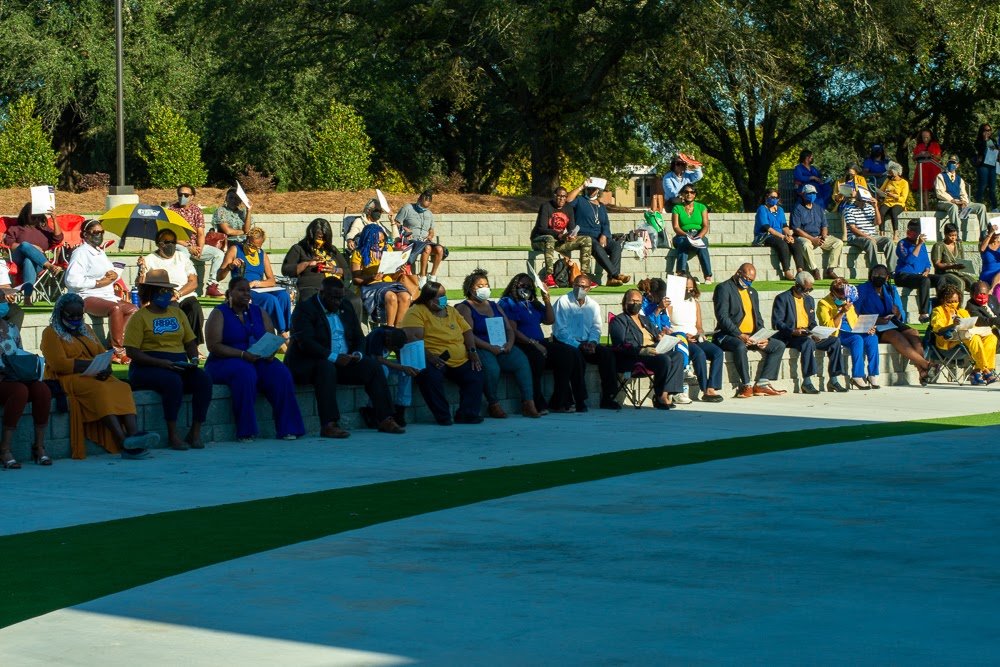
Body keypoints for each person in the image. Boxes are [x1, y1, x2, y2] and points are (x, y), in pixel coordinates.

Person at [40, 293, 157, 459]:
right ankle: (122, 441)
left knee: (122, 387)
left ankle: (134, 435)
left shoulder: (85, 329)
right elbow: (60, 364)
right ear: (60, 313)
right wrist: (90, 366)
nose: (75, 319)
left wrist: (105, 368)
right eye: (71, 315)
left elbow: (103, 353)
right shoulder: (50, 333)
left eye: (79, 315)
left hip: (93, 374)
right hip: (67, 378)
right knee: (100, 390)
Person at [286, 276, 406, 436]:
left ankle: (385, 418)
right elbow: (306, 343)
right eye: (334, 298)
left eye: (340, 297)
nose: (338, 302)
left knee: (373, 367)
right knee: (326, 368)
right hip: (309, 364)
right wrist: (334, 357)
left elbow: (359, 337)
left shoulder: (346, 306)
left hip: (342, 361)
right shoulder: (305, 309)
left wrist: (357, 354)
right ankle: (329, 424)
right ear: (322, 293)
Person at [204, 277, 305, 442]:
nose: (246, 294)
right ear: (229, 293)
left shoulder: (259, 311)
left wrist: (270, 351)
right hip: (225, 360)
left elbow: (270, 336)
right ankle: (246, 430)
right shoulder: (219, 312)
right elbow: (213, 345)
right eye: (241, 290)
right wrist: (242, 355)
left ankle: (289, 428)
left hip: (256, 359)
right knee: (245, 373)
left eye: (247, 290)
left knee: (281, 373)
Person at [125, 270, 213, 451]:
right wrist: (160, 363)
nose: (165, 294)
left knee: (203, 380)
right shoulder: (140, 317)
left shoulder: (178, 314)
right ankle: (173, 434)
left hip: (178, 363)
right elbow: (132, 351)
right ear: (150, 293)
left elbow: (189, 341)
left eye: (167, 291)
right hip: (147, 365)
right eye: (160, 291)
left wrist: (194, 357)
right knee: (172, 382)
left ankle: (195, 432)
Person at [455, 269, 540, 418]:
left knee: (522, 361)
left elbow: (509, 329)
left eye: (486, 284)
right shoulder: (465, 307)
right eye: (479, 286)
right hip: (482, 346)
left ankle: (528, 402)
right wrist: (489, 347)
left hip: (502, 346)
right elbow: (468, 334)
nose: (484, 288)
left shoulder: (495, 306)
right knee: (492, 369)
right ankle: (493, 403)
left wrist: (509, 344)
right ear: (470, 288)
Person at [400, 281, 485, 425]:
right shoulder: (416, 311)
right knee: (429, 376)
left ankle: (467, 414)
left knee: (475, 373)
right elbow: (413, 339)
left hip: (460, 358)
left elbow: (467, 331)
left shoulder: (451, 311)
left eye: (444, 295)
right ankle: (443, 416)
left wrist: (472, 350)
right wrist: (430, 357)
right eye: (440, 296)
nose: (443, 299)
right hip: (433, 357)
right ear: (428, 299)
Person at [64, 218, 138, 364]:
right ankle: (118, 351)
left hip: (107, 295)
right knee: (115, 309)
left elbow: (108, 273)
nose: (99, 235)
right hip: (86, 296)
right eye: (95, 232)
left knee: (133, 309)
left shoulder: (99, 252)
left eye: (101, 232)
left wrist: (114, 275)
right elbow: (71, 280)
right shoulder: (80, 253)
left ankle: (112, 347)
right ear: (85, 234)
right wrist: (98, 283)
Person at [712, 263, 787, 397]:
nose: (748, 282)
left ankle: (762, 383)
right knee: (740, 347)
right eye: (746, 278)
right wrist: (739, 335)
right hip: (729, 335)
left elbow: (758, 318)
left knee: (778, 345)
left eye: (751, 280)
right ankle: (746, 385)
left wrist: (763, 337)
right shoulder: (723, 288)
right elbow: (722, 317)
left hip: (752, 335)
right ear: (738, 273)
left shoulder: (752, 292)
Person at [854, 264, 935, 383]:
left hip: (891, 321)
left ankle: (922, 371)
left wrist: (897, 313)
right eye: (876, 274)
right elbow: (855, 313)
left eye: (882, 275)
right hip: (873, 325)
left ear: (887, 277)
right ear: (871, 276)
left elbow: (901, 312)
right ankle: (926, 364)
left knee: (913, 332)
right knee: (895, 335)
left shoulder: (890, 289)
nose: (878, 277)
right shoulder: (862, 289)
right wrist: (876, 320)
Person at [551, 274, 621, 410]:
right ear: (573, 285)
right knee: (576, 357)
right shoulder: (563, 301)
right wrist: (579, 345)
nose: (580, 288)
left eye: (583, 286)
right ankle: (580, 399)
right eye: (577, 285)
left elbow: (596, 327)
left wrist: (593, 342)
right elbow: (560, 331)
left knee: (607, 354)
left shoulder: (593, 305)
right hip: (567, 343)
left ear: (589, 288)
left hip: (587, 343)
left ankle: (609, 396)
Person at [609, 289, 685, 409]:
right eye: (632, 301)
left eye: (638, 301)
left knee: (678, 356)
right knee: (664, 359)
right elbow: (619, 345)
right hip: (635, 356)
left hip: (654, 351)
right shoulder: (619, 321)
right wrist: (641, 351)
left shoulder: (644, 319)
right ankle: (659, 395)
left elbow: (656, 335)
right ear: (625, 303)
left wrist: (661, 336)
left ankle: (665, 393)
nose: (635, 304)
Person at [772, 272, 847, 393]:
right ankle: (807, 382)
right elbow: (777, 323)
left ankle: (834, 380)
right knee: (807, 343)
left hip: (807, 333)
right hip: (791, 336)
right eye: (805, 289)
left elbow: (812, 322)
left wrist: (816, 332)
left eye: (810, 289)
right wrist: (793, 331)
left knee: (835, 341)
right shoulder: (783, 298)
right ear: (797, 285)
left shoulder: (809, 300)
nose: (807, 292)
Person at [217, 227, 292, 336]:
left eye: (255, 246)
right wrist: (230, 266)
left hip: (258, 287)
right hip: (242, 290)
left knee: (283, 296)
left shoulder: (262, 254)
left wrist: (257, 283)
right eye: (250, 243)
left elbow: (271, 280)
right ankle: (282, 333)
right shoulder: (235, 249)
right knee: (270, 299)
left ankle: (285, 329)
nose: (252, 248)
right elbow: (219, 276)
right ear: (247, 239)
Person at [663, 275, 725, 402]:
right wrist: (684, 336)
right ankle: (705, 389)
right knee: (699, 353)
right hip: (680, 339)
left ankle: (712, 386)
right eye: (686, 288)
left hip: (695, 337)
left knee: (717, 352)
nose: (688, 291)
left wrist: (701, 334)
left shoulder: (695, 303)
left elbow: (699, 326)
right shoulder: (671, 303)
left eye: (691, 289)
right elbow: (667, 326)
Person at [498, 273, 554, 414]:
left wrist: (546, 299)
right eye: (522, 285)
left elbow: (549, 320)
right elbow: (512, 330)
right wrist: (533, 343)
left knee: (568, 354)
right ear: (514, 286)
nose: (526, 288)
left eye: (529, 286)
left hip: (539, 341)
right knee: (537, 358)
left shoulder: (533, 303)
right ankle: (535, 401)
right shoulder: (508, 302)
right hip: (522, 343)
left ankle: (562, 400)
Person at [137, 229, 204, 346]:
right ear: (159, 244)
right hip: (163, 296)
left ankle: (193, 345)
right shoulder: (149, 259)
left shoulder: (182, 257)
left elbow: (193, 282)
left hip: (184, 294)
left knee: (195, 308)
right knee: (172, 309)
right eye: (167, 242)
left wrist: (178, 294)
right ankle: (175, 345)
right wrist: (142, 270)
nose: (171, 245)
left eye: (173, 242)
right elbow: (141, 286)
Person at [0, 315, 52, 468]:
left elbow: (18, 353)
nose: (4, 302)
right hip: (4, 380)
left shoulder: (11, 328)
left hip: (14, 375)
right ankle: (5, 449)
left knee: (42, 390)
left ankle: (39, 446)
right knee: (20, 391)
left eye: (3, 298)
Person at [281, 217, 359, 314]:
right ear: (311, 235)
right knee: (313, 303)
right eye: (319, 237)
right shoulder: (299, 249)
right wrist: (307, 263)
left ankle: (351, 328)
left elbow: (348, 271)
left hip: (334, 288)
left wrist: (335, 270)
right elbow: (286, 270)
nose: (322, 240)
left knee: (355, 301)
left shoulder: (332, 250)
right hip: (310, 288)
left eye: (324, 238)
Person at [816, 278, 879, 389]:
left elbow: (854, 320)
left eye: (845, 297)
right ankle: (857, 375)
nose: (843, 300)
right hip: (837, 333)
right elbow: (829, 327)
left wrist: (867, 328)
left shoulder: (848, 301)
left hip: (853, 330)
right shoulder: (823, 303)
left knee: (872, 338)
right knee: (857, 339)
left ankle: (873, 374)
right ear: (832, 293)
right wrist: (841, 312)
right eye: (841, 298)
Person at [350, 223, 419, 326]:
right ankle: (389, 329)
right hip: (370, 286)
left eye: (382, 241)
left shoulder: (388, 249)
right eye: (377, 242)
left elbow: (393, 277)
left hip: (389, 284)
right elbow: (356, 280)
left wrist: (399, 271)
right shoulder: (359, 253)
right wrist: (372, 277)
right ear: (368, 240)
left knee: (405, 297)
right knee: (391, 297)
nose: (381, 244)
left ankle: (398, 329)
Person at [930, 284, 997, 385]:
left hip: (965, 340)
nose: (953, 304)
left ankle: (977, 372)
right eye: (950, 302)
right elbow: (938, 329)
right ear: (943, 300)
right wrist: (952, 325)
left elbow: (971, 326)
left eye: (956, 301)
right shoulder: (938, 311)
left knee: (991, 337)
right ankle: (986, 371)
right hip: (948, 342)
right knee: (973, 338)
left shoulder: (963, 312)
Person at [566, 182, 630, 286]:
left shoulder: (601, 206)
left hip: (600, 236)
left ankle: (611, 279)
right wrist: (581, 186)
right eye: (590, 189)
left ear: (598, 190)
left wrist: (604, 235)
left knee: (616, 246)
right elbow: (568, 200)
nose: (592, 191)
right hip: (584, 236)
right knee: (595, 245)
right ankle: (615, 274)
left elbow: (605, 223)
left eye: (594, 189)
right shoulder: (580, 200)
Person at [169, 184, 225, 297]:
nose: (182, 197)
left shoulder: (196, 210)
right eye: (180, 194)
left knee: (218, 254)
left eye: (186, 195)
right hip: (179, 244)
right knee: (183, 253)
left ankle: (212, 285)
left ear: (192, 197)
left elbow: (200, 233)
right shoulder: (172, 210)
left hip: (195, 245)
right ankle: (182, 286)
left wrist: (200, 248)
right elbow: (171, 235)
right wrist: (188, 246)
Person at [530, 186, 593, 286]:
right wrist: (559, 235)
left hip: (558, 241)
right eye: (559, 196)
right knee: (550, 239)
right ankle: (549, 276)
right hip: (540, 240)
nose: (562, 199)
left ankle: (584, 275)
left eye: (564, 196)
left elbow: (572, 227)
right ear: (554, 196)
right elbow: (541, 228)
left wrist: (571, 235)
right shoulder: (546, 206)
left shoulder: (569, 208)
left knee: (587, 239)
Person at [4, 202, 64, 305]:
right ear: (25, 214)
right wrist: (32, 247)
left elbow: (58, 238)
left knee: (29, 260)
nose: (35, 216)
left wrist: (54, 219)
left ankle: (27, 297)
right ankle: (49, 266)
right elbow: (9, 245)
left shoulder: (43, 229)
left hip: (38, 263)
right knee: (25, 245)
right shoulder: (16, 228)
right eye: (32, 213)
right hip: (18, 261)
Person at [894, 219, 947, 322]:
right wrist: (918, 245)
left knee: (940, 279)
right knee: (924, 280)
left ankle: (942, 307)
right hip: (903, 275)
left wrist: (927, 269)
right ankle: (923, 313)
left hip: (919, 276)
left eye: (917, 231)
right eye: (912, 230)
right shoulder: (902, 243)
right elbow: (909, 260)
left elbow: (927, 262)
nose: (915, 233)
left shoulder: (922, 245)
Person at [363, 325, 416, 428]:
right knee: (383, 370)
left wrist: (408, 367)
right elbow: (378, 359)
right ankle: (371, 409)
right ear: (387, 340)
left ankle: (400, 408)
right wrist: (402, 367)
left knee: (406, 373)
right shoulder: (377, 335)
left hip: (382, 363)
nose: (391, 350)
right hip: (369, 364)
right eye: (391, 348)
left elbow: (400, 358)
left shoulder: (397, 335)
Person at [394, 190, 447, 286]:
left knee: (440, 249)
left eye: (426, 207)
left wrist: (430, 236)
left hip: (425, 241)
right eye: (422, 205)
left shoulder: (429, 214)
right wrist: (405, 229)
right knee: (427, 248)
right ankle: (422, 277)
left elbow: (431, 230)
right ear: (418, 199)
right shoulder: (407, 208)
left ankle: (432, 276)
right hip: (411, 240)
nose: (423, 208)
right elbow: (396, 223)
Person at [790, 184, 843, 280]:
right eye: (809, 193)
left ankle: (830, 270)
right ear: (803, 194)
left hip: (819, 236)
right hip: (805, 237)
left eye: (814, 193)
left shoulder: (818, 208)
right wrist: (813, 239)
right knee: (806, 245)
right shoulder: (797, 209)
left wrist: (823, 236)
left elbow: (824, 225)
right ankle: (814, 270)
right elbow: (796, 229)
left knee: (838, 242)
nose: (812, 195)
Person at [934, 155, 988, 238]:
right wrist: (954, 201)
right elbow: (940, 192)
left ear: (957, 165)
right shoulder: (940, 176)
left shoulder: (960, 179)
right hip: (945, 202)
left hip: (959, 202)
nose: (951, 164)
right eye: (950, 162)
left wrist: (964, 202)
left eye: (953, 162)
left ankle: (983, 233)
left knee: (981, 207)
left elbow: (963, 193)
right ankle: (956, 234)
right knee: (953, 207)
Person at [670, 185, 713, 284]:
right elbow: (676, 227)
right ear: (682, 194)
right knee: (683, 243)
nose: (689, 194)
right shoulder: (677, 208)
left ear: (695, 194)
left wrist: (699, 236)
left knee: (703, 244)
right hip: (682, 235)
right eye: (686, 192)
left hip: (698, 233)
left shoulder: (701, 207)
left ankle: (707, 276)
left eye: (692, 192)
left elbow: (706, 226)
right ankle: (682, 273)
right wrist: (687, 235)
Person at [754, 189, 795, 281]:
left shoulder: (780, 210)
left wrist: (789, 236)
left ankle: (800, 270)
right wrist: (783, 237)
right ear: (766, 197)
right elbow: (767, 228)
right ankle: (787, 271)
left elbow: (784, 226)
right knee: (782, 243)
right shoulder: (762, 209)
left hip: (780, 236)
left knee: (796, 243)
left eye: (776, 197)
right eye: (772, 197)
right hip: (765, 237)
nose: (775, 199)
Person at [844, 191, 891, 270]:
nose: (863, 203)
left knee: (888, 241)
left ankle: (892, 270)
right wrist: (867, 236)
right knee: (870, 242)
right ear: (856, 199)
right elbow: (852, 228)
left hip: (872, 235)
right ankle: (875, 269)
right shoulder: (849, 209)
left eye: (865, 201)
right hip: (855, 237)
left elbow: (878, 222)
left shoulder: (869, 207)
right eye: (861, 201)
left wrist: (876, 207)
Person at [932, 222, 978, 290]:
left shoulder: (959, 245)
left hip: (957, 272)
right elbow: (936, 264)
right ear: (945, 234)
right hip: (944, 273)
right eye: (950, 235)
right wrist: (951, 266)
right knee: (960, 283)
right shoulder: (939, 246)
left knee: (974, 283)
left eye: (955, 235)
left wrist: (964, 266)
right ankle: (958, 300)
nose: (953, 237)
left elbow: (962, 260)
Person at [911, 129, 943, 206]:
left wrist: (930, 154)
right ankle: (927, 206)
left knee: (937, 186)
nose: (925, 139)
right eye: (923, 137)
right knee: (924, 187)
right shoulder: (919, 146)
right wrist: (920, 155)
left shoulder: (935, 145)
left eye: (927, 137)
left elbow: (939, 157)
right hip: (922, 168)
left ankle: (939, 204)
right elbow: (913, 158)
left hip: (933, 168)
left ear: (930, 137)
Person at [878, 162, 909, 240]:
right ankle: (882, 233)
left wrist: (894, 196)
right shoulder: (888, 180)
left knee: (893, 212)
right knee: (881, 212)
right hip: (888, 202)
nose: (890, 175)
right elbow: (881, 190)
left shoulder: (904, 183)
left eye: (892, 173)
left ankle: (895, 234)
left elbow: (903, 198)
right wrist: (884, 193)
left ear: (897, 173)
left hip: (898, 203)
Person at [973, 123, 998, 212]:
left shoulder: (993, 141)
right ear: (982, 131)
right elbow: (980, 150)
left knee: (992, 187)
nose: (988, 132)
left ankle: (994, 207)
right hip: (983, 166)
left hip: (992, 165)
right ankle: (977, 205)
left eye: (989, 130)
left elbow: (996, 151)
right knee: (982, 185)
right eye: (986, 130)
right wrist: (985, 139)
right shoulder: (979, 141)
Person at [0, 259, 25, 330]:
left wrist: (9, 292)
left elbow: (5, 285)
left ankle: (11, 339)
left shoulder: (1, 263)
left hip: (2, 305)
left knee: (18, 312)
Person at [980, 227, 1000, 293]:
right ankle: (991, 290)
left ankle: (992, 290)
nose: (996, 234)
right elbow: (982, 249)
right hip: (987, 276)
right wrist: (991, 233)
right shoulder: (985, 245)